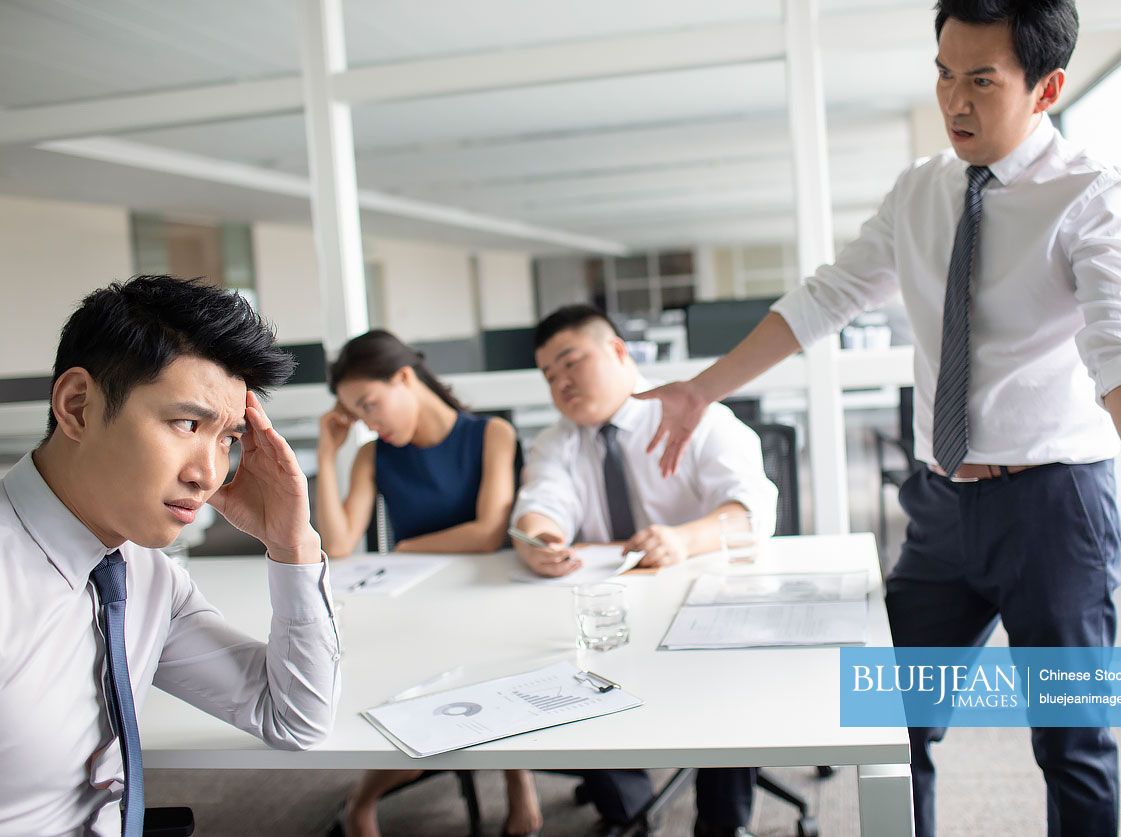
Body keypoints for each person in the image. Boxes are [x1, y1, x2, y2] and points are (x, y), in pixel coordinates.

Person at [637, 2, 1121, 835]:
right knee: (895, 721)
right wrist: (699, 389)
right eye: (941, 74)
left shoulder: (1091, 197)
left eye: (979, 81)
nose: (952, 101)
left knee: (1070, 742)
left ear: (1047, 88)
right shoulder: (919, 189)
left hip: (1053, 508)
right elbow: (825, 298)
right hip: (939, 508)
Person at [0, 275, 340, 837]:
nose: (207, 473)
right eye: (187, 424)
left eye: (228, 438)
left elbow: (294, 717)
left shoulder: (142, 574)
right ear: (78, 406)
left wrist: (292, 544)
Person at [510, 305, 778, 837]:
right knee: (557, 664)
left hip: (705, 608)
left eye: (570, 364)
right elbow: (541, 504)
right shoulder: (556, 442)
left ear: (616, 351)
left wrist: (682, 538)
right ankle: (628, 809)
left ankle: (723, 825)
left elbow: (752, 511)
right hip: (609, 610)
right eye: (548, 376)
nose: (560, 383)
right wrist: (539, 540)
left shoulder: (697, 415)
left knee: (728, 674)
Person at [315, 329, 541, 837]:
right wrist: (327, 455)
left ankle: (516, 774)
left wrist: (406, 548)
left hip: (491, 598)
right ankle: (362, 798)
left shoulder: (492, 435)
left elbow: (487, 534)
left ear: (404, 377)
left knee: (498, 667)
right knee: (406, 704)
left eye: (371, 405)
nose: (370, 423)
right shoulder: (375, 456)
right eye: (358, 416)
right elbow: (340, 544)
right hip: (419, 603)